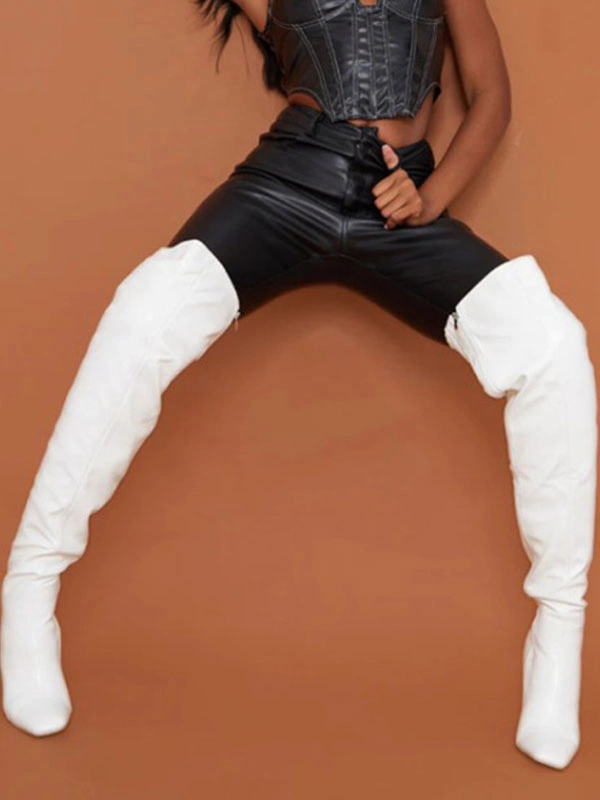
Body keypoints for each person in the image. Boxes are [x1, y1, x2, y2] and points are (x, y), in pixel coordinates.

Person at [1, 0, 596, 772]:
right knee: (143, 315)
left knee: (554, 347)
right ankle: (31, 584)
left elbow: (492, 96)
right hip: (285, 186)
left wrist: (433, 197)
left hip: (398, 206)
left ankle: (558, 631)